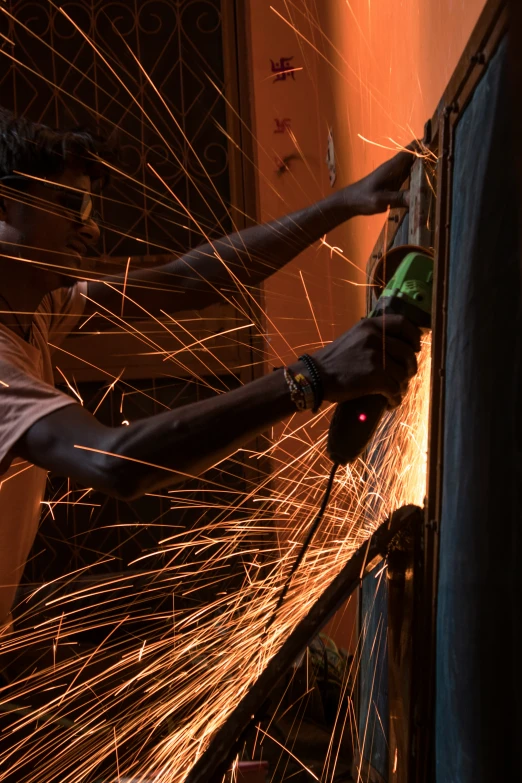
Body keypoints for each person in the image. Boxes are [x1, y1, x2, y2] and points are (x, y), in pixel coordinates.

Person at [0, 110, 421, 631]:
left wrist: (341, 203)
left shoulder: (38, 304)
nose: (89, 227)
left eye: (89, 206)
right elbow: (114, 462)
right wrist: (313, 377)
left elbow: (186, 283)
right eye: (70, 205)